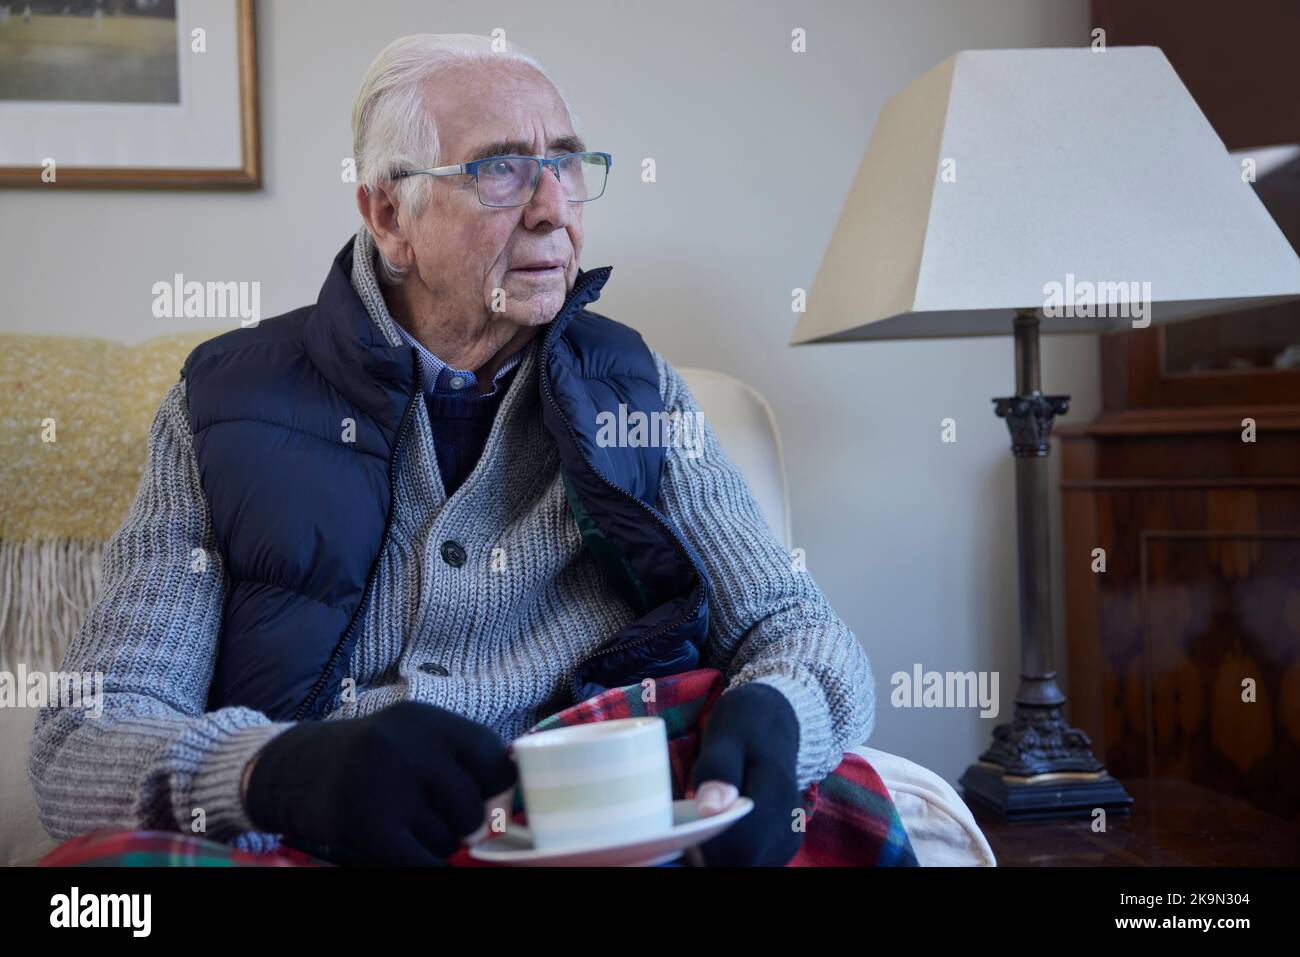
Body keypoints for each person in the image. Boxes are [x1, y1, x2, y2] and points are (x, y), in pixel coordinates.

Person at [27, 32, 875, 867]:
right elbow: (81, 743)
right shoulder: (220, 406)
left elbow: (798, 630)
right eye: (499, 168)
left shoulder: (637, 390)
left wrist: (779, 711)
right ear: (390, 214)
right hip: (327, 840)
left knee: (855, 804)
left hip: (594, 830)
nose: (552, 207)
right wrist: (274, 771)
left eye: (568, 163)